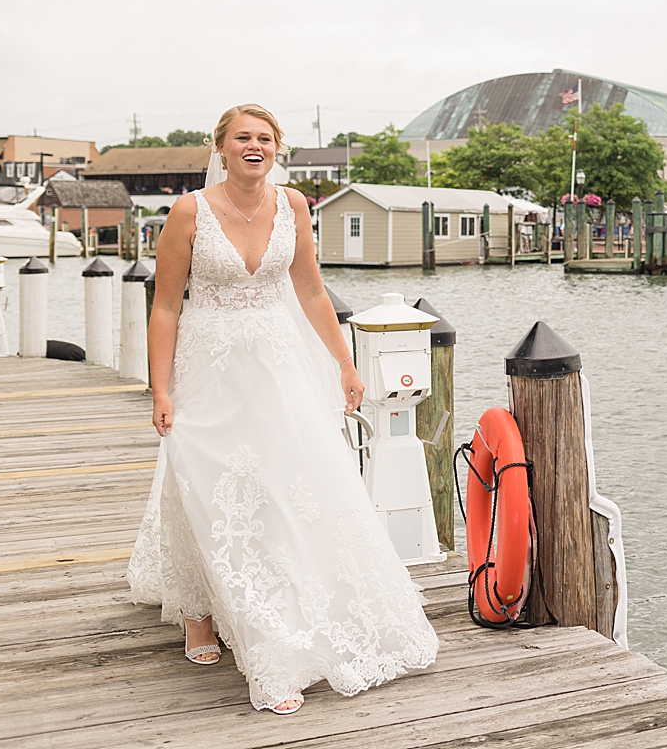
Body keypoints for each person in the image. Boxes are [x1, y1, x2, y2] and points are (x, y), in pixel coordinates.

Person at [126, 104, 438, 714]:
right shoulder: (189, 211)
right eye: (242, 137)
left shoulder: (294, 206)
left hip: (279, 366)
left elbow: (313, 291)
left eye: (265, 138)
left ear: (278, 148)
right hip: (208, 370)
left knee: (292, 485)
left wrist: (347, 364)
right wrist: (160, 390)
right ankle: (200, 611)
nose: (254, 146)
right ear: (220, 146)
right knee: (207, 484)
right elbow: (165, 307)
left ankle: (295, 610)